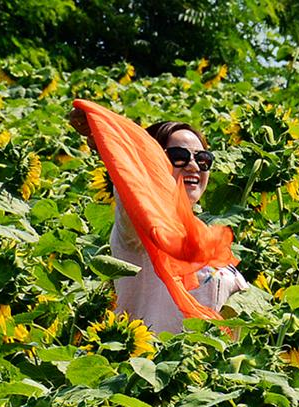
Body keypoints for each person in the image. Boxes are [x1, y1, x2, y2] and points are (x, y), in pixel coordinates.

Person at [69, 105, 247, 333]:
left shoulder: (203, 236)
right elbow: (134, 186)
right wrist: (108, 135)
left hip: (206, 364)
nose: (193, 166)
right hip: (151, 361)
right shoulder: (142, 225)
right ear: (151, 164)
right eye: (178, 157)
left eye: (202, 159)